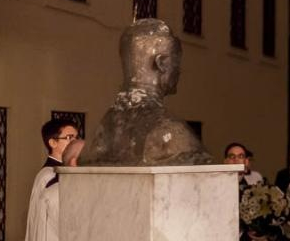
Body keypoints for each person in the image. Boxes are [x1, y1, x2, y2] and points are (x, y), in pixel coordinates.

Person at [83, 18, 212, 165]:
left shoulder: (102, 129)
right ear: (161, 63)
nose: (179, 70)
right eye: (176, 62)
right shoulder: (171, 131)